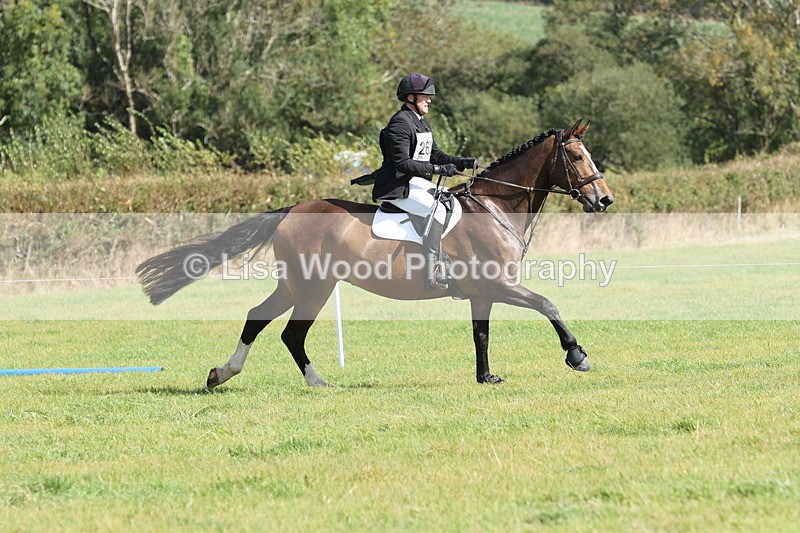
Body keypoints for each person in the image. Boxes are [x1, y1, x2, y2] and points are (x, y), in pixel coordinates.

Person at [372, 73, 480, 290]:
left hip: (416, 183)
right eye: (424, 96)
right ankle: (433, 272)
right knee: (438, 211)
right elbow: (403, 163)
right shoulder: (399, 123)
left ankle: (447, 257)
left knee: (452, 201)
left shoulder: (421, 121)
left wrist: (459, 162)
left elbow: (435, 154)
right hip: (397, 186)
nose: (429, 100)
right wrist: (439, 169)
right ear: (410, 97)